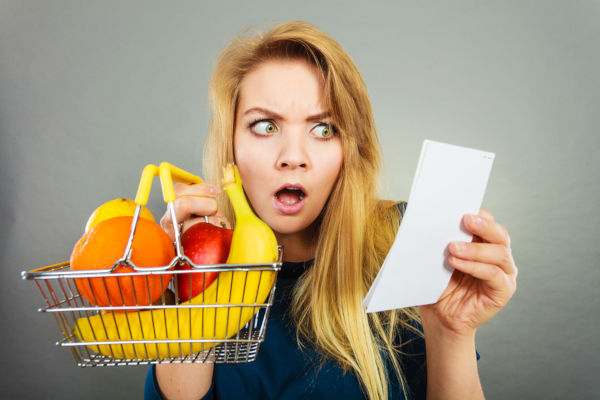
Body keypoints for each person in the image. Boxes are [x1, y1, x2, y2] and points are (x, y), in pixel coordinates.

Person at [145, 20, 517, 400]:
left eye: (323, 129)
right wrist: (188, 284)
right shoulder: (204, 265)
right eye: (265, 126)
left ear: (348, 150)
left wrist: (451, 333)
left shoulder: (403, 242)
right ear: (231, 148)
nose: (293, 157)